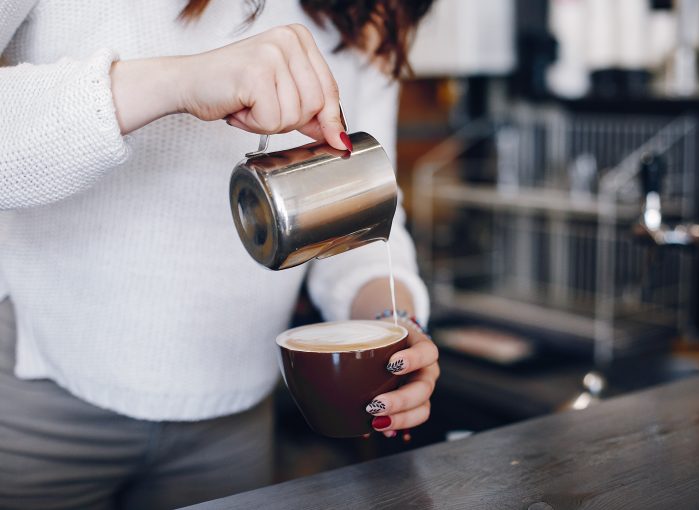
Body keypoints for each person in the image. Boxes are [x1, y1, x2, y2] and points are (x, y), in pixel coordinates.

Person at [0, 0, 439, 508]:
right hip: (40, 395)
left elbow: (356, 213)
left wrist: (393, 327)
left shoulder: (367, 9)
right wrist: (178, 82)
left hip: (236, 417)